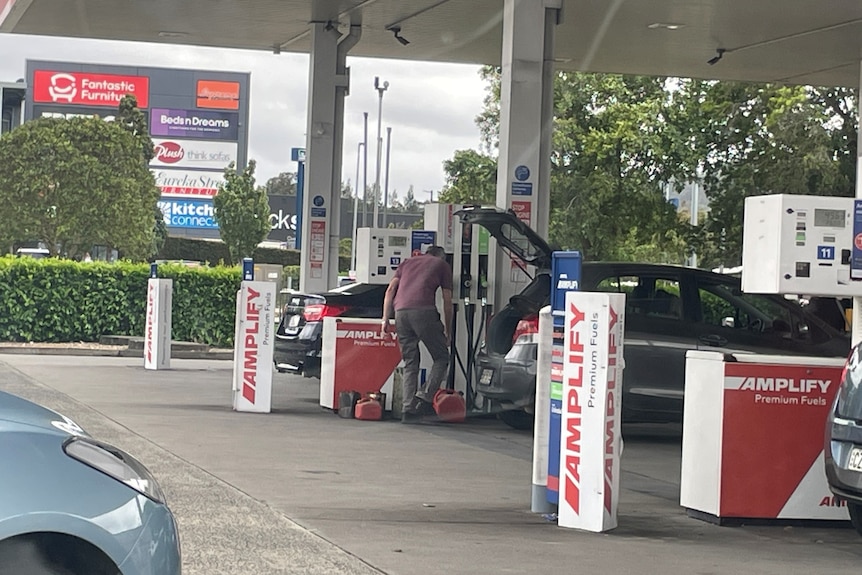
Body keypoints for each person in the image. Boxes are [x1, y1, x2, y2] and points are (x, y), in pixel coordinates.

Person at [381, 245, 453, 423]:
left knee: (410, 362)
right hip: (424, 313)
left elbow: (390, 290)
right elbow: (447, 300)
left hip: (401, 314)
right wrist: (448, 330)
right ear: (441, 256)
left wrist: (385, 319)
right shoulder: (441, 264)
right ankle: (424, 397)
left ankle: (408, 409)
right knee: (442, 357)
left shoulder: (407, 263)